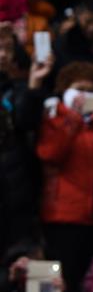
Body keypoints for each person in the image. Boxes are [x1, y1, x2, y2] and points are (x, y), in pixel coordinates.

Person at [37, 61, 93, 292]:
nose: (85, 95)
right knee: (46, 290)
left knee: (84, 287)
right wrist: (73, 118)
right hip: (56, 218)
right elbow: (50, 154)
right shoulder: (53, 117)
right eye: (79, 89)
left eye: (91, 90)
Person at [0, 33, 51, 247]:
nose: (3, 55)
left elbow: (26, 121)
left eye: (8, 49)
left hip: (17, 191)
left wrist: (35, 82)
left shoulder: (20, 89)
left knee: (25, 258)